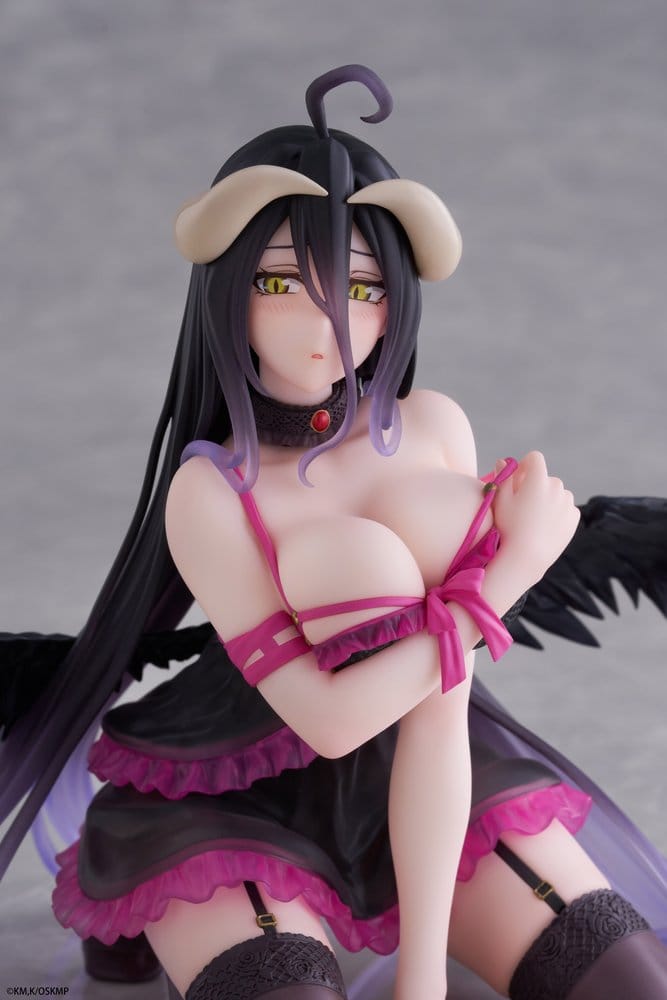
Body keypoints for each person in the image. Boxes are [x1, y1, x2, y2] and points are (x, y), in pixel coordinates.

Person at [3, 65, 667, 1000]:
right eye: (282, 281)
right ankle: (153, 920)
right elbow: (327, 718)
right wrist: (506, 574)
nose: (329, 323)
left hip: (419, 777)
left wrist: (423, 976)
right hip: (227, 796)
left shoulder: (431, 428)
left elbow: (439, 709)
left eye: (362, 287)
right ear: (227, 292)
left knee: (628, 981)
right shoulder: (214, 492)